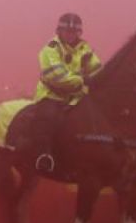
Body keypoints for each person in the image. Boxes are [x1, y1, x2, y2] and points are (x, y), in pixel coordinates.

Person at [26, 12, 101, 171]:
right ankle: (43, 155)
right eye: (67, 31)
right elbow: (57, 76)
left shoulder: (85, 48)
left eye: (74, 32)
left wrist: (97, 80)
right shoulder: (50, 49)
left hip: (77, 96)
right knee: (48, 117)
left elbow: (97, 70)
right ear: (59, 31)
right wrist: (83, 80)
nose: (70, 35)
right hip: (52, 95)